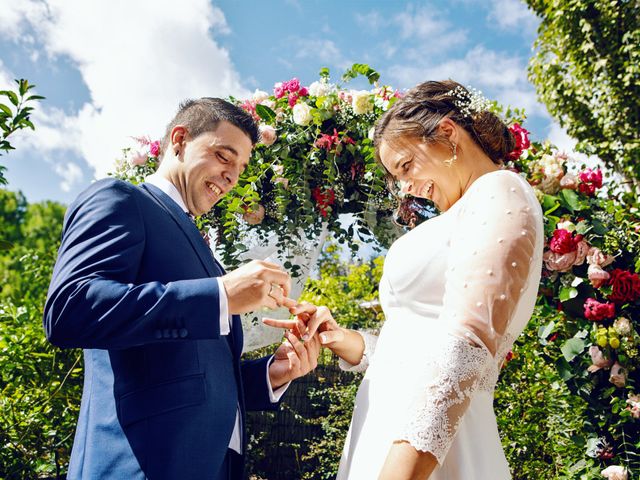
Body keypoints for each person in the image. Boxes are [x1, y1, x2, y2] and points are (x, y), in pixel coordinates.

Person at [266, 80, 544, 479]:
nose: (405, 188)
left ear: (448, 134)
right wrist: (339, 337)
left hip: (428, 444)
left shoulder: (498, 190)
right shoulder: (464, 209)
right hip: (385, 424)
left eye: (406, 167)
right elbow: (413, 343)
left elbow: (466, 347)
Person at [43, 97, 321, 480]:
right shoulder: (122, 200)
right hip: (140, 464)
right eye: (224, 156)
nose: (232, 176)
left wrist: (272, 373)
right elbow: (69, 308)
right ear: (179, 140)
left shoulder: (201, 247)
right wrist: (220, 296)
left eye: (240, 167)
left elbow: (194, 371)